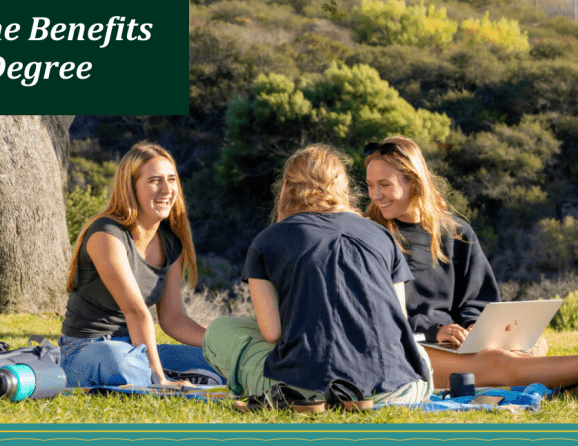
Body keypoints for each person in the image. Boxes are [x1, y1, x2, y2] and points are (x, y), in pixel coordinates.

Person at [203, 144, 433, 403]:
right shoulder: (383, 236)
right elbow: (398, 322)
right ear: (344, 187)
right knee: (420, 355)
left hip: (307, 392)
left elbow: (272, 333)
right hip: (397, 390)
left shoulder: (268, 241)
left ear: (287, 187)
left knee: (219, 330)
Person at [364, 135, 578, 391]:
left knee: (518, 350)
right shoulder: (369, 235)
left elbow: (476, 299)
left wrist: (474, 326)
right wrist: (434, 331)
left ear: (413, 181)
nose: (376, 195)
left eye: (384, 184)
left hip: (453, 343)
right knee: (498, 363)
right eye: (370, 185)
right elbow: (374, 313)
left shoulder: (455, 232)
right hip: (406, 346)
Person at [59, 141, 220, 388]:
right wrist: (159, 379)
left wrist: (226, 344)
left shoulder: (170, 242)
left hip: (138, 347)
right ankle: (160, 378)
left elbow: (174, 319)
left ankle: (164, 375)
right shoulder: (106, 234)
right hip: (88, 348)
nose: (167, 189)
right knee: (123, 363)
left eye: (172, 179)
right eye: (155, 180)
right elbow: (136, 312)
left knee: (216, 360)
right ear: (131, 188)